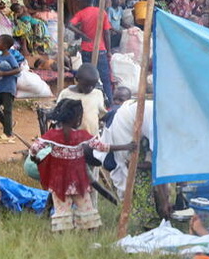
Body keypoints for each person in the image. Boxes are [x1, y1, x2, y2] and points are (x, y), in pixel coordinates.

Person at [31, 98, 133, 233]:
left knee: (62, 212)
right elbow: (102, 147)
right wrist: (125, 146)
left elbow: (34, 148)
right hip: (78, 180)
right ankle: (90, 236)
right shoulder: (81, 136)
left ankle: (62, 240)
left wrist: (35, 158)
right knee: (86, 210)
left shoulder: (52, 135)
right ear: (76, 119)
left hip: (59, 181)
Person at [67, 0, 113, 101]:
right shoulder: (102, 12)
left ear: (83, 2)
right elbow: (107, 33)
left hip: (86, 50)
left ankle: (89, 99)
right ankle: (109, 102)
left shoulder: (81, 13)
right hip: (100, 50)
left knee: (89, 77)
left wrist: (82, 34)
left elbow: (69, 25)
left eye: (79, 2)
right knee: (105, 78)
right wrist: (109, 51)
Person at [58, 63, 108, 135]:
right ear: (77, 79)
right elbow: (59, 115)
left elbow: (101, 114)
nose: (90, 88)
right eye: (86, 85)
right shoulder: (65, 94)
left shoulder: (97, 94)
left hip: (91, 137)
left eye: (93, 85)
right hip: (71, 138)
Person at [0, 34, 22, 143]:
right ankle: (8, 125)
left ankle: (8, 134)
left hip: (8, 87)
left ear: (5, 45)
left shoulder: (10, 57)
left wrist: (4, 73)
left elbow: (17, 70)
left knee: (7, 110)